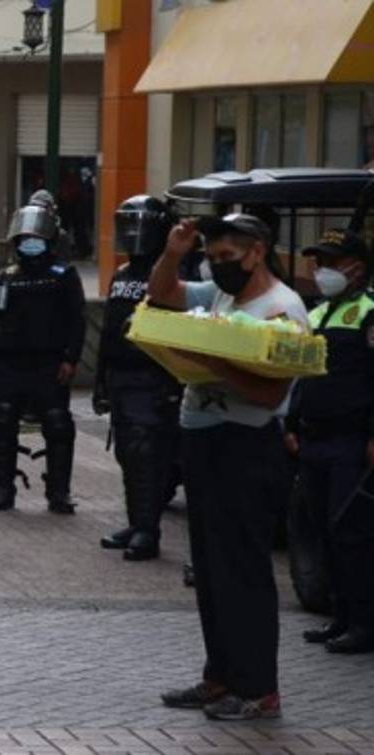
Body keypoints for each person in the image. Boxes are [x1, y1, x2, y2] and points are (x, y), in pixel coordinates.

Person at [148, 213, 309, 721]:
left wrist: (213, 361)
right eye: (211, 258)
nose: (219, 267)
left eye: (227, 258)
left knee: (243, 569)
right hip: (203, 443)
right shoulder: (219, 297)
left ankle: (259, 689)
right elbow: (163, 294)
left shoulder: (282, 310)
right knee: (212, 571)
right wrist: (174, 252)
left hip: (245, 445)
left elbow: (270, 393)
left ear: (257, 251)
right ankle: (220, 676)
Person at [285, 228, 374, 655]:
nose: (323, 271)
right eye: (319, 262)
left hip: (351, 441)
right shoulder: (317, 313)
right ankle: (340, 617)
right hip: (314, 440)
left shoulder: (369, 312)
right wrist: (291, 423)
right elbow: (305, 374)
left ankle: (363, 622)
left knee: (351, 533)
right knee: (322, 529)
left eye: (332, 263)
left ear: (357, 267)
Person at [0, 203, 86, 514]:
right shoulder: (6, 278)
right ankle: (2, 487)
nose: (30, 242)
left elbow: (76, 319)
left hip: (50, 362)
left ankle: (59, 491)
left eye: (36, 236)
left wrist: (71, 357)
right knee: (3, 418)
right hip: (11, 363)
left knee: (57, 422)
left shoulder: (63, 275)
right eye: (24, 237)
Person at [93, 195, 182, 560]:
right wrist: (100, 381)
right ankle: (136, 521)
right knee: (128, 454)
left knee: (148, 454)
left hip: (153, 378)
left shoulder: (169, 276)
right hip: (121, 377)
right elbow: (109, 330)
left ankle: (149, 529)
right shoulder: (123, 274)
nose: (132, 234)